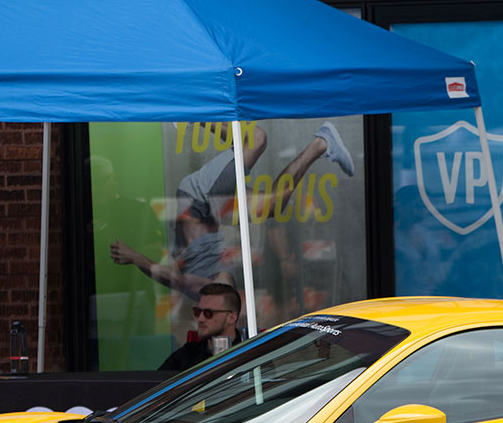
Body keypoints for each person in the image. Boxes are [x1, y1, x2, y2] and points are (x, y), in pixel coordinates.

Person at [109, 121, 354, 305]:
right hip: (207, 211)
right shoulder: (220, 292)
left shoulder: (204, 293)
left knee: (256, 140)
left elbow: (171, 278)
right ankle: (322, 143)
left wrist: (135, 257)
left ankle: (197, 116)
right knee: (274, 203)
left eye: (203, 314)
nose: (201, 317)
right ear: (229, 317)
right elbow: (177, 279)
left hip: (198, 202)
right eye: (205, 315)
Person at [159, 283, 245, 372]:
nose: (200, 318)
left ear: (231, 318)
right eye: (197, 311)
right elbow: (155, 383)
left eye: (208, 313)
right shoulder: (188, 354)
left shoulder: (247, 351)